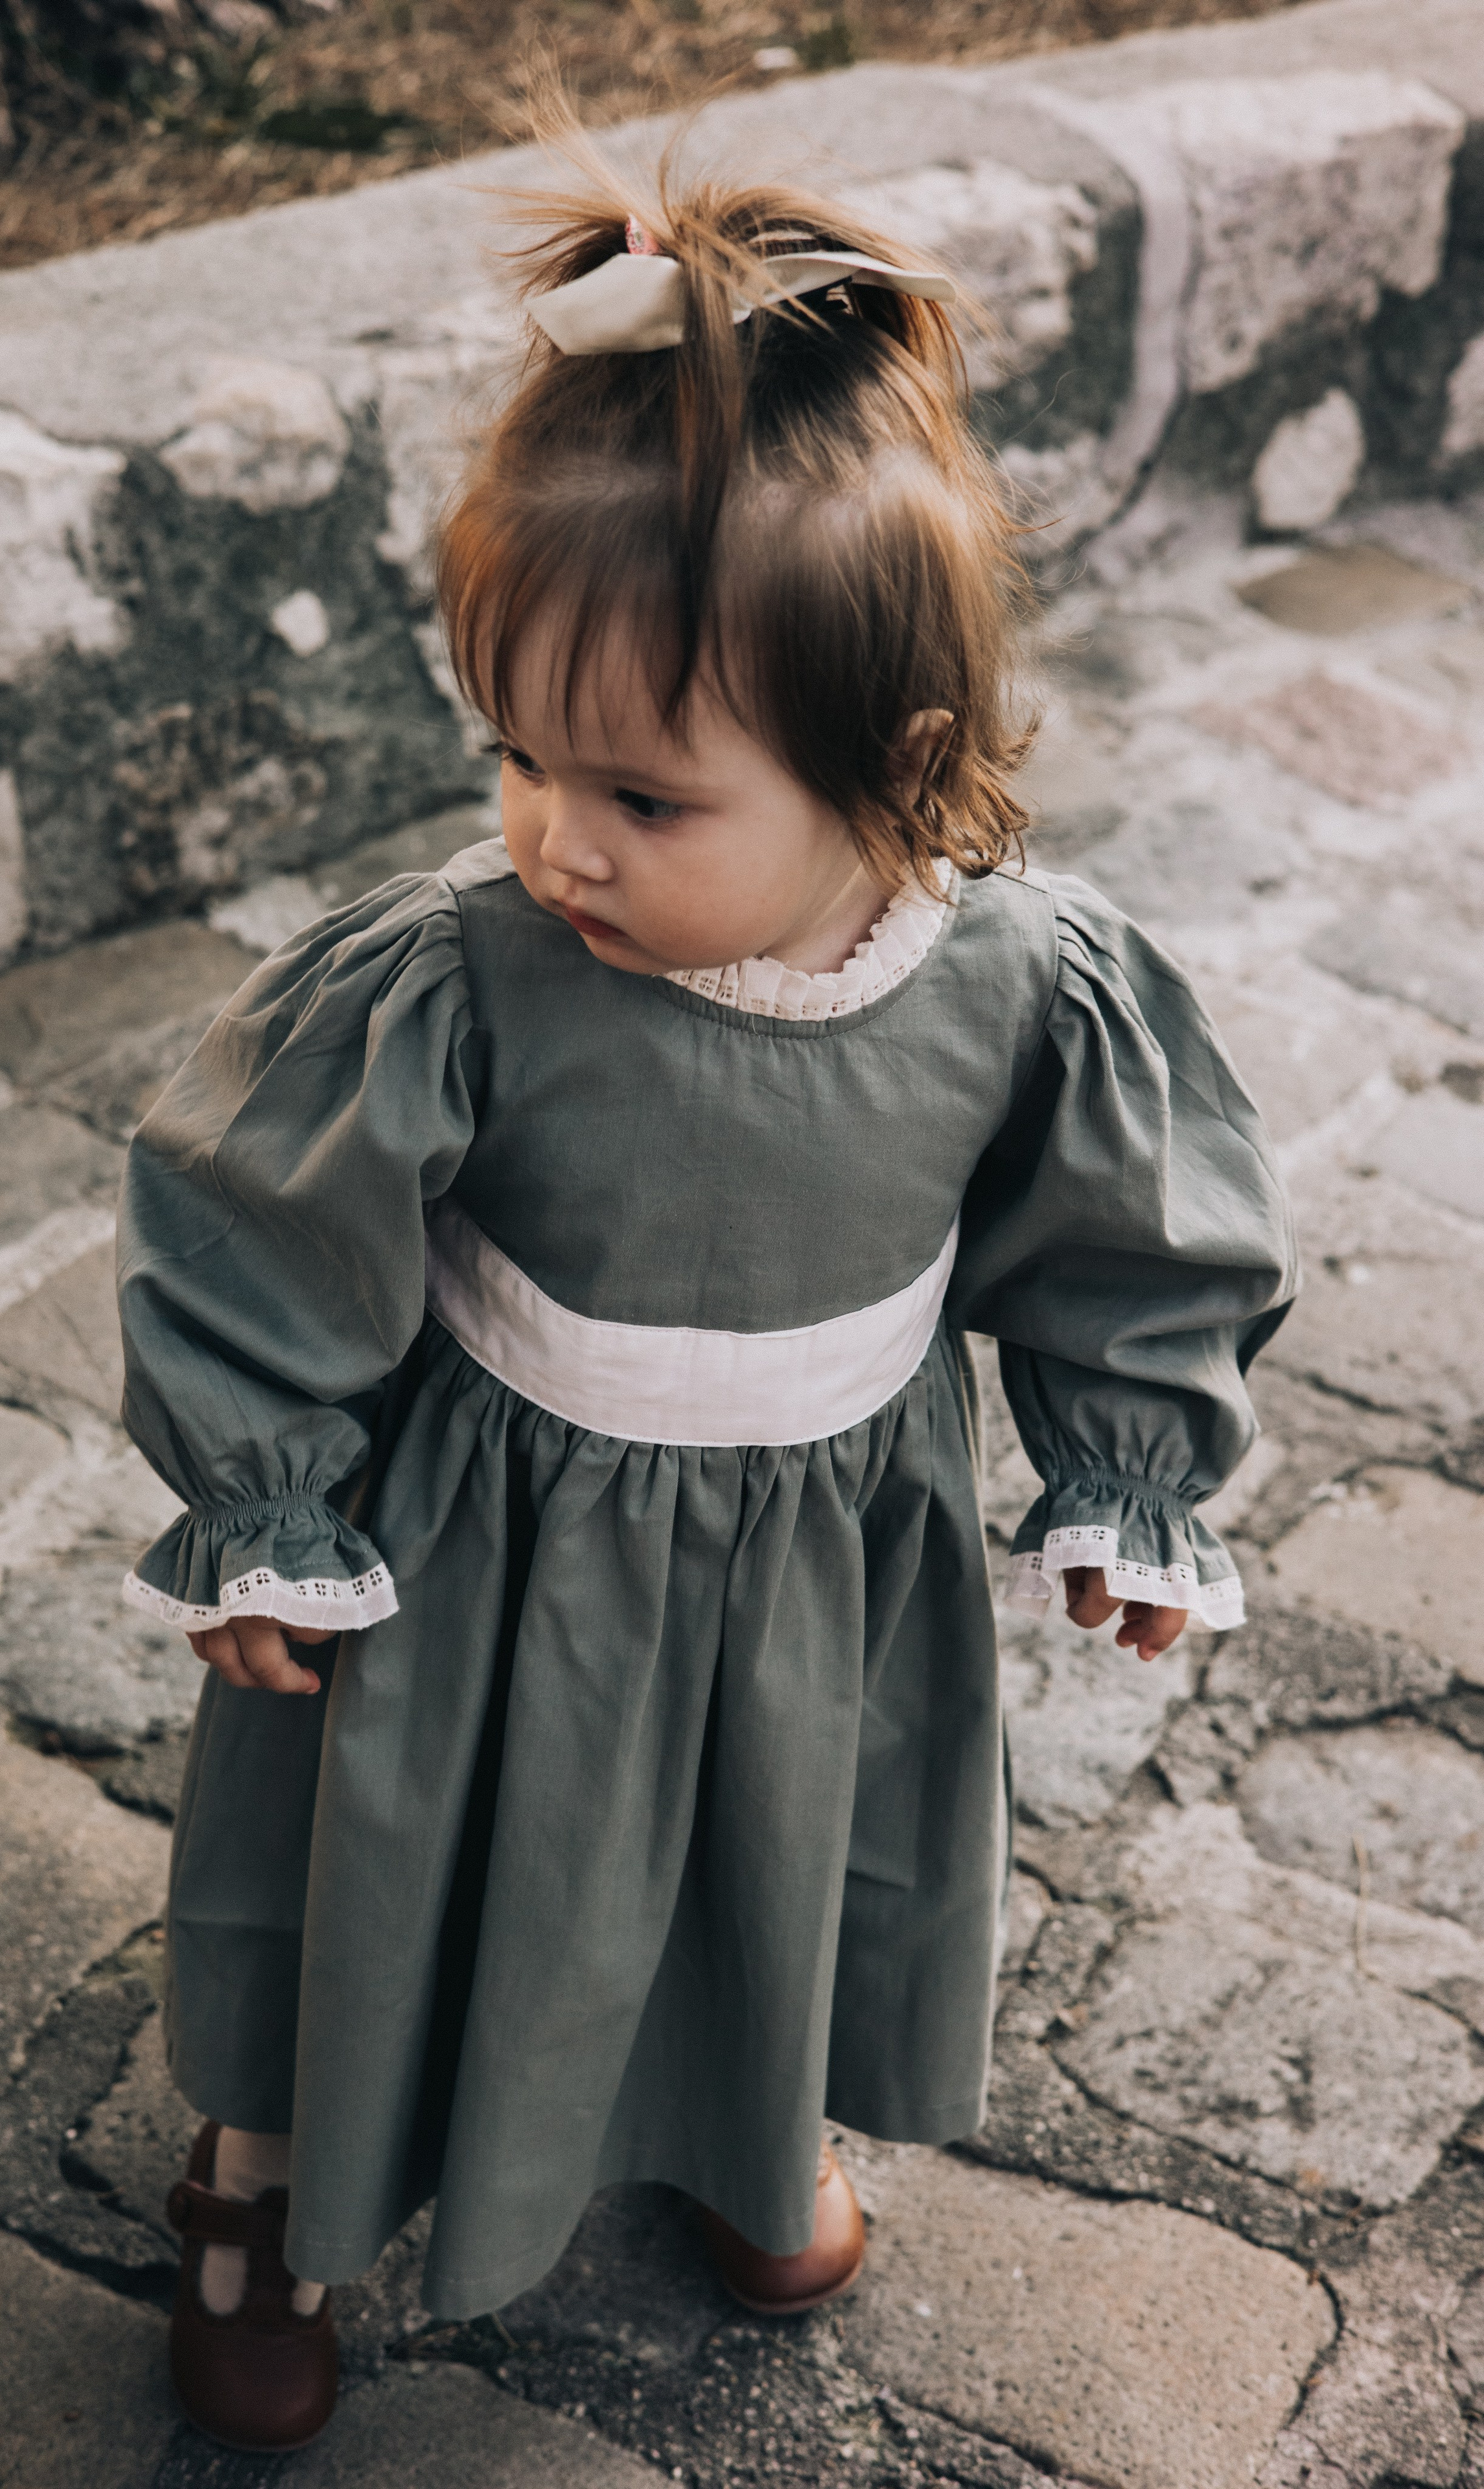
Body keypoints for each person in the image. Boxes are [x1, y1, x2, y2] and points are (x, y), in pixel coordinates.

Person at [116, 160, 1297, 2455]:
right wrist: (264, 1493)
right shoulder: (466, 969)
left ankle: (753, 2139)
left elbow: (1123, 1235)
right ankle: (267, 2176)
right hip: (483, 1559)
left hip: (813, 1563)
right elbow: (269, 1210)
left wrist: (1124, 1471)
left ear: (895, 765)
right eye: (521, 756)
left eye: (644, 793)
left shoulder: (1020, 987)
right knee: (378, 1869)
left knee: (769, 1863)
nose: (559, 836)